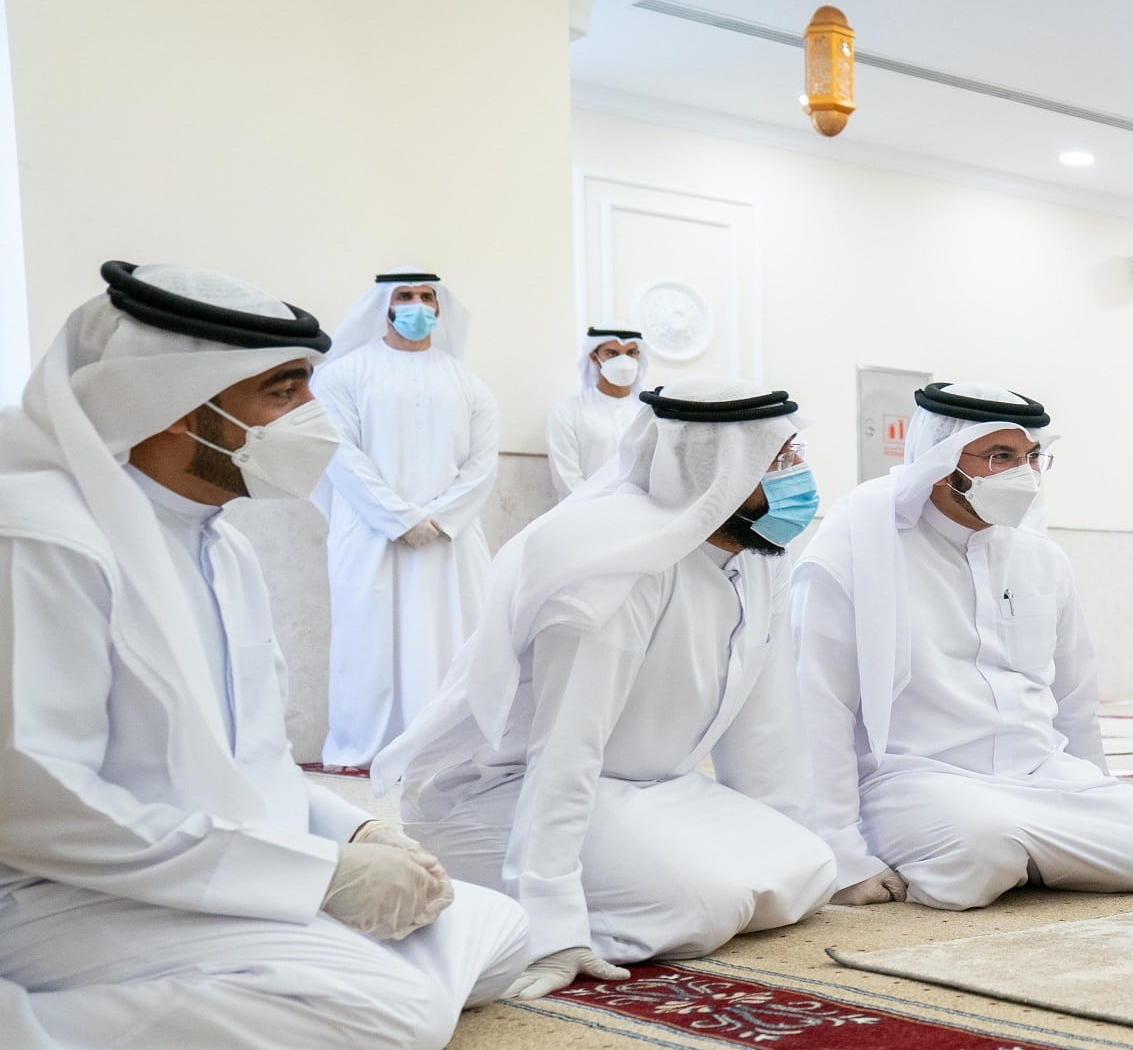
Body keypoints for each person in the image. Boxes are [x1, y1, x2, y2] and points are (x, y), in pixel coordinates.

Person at [0, 262, 528, 1048]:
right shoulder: (44, 536)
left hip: (218, 868)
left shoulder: (222, 544)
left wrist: (358, 839)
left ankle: (306, 976)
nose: (314, 415)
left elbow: (262, 761)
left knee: (503, 930)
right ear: (176, 406)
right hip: (64, 890)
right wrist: (315, 881)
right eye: (284, 393)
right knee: (392, 1016)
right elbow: (40, 804)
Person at [373, 377, 836, 999]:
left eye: (795, 454)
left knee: (811, 866)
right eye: (779, 460)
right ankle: (499, 897)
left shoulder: (756, 558)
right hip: (505, 796)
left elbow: (766, 727)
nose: (799, 475)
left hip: (648, 790)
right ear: (716, 469)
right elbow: (565, 749)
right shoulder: (616, 565)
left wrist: (781, 832)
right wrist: (552, 920)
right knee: (707, 905)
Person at [794, 381, 1133, 910]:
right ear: (942, 461)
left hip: (1039, 772)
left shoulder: (1042, 558)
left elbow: (1074, 695)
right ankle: (1020, 852)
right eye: (1001, 456)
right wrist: (839, 849)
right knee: (980, 846)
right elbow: (820, 703)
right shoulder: (859, 549)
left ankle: (1024, 850)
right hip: (917, 777)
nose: (1024, 473)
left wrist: (1093, 790)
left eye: (1033, 457)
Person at [312, 268, 499, 767]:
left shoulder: (469, 383)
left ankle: (450, 748)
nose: (417, 305)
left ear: (440, 309)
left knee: (456, 640)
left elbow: (483, 465)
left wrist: (438, 520)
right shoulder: (343, 375)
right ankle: (364, 750)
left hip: (450, 540)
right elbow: (339, 453)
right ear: (384, 306)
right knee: (369, 644)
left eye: (426, 296)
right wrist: (398, 518)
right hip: (370, 535)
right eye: (405, 295)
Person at [546, 323, 647, 498]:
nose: (624, 362)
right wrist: (599, 511)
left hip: (639, 515)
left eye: (631, 353)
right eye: (612, 353)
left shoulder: (648, 413)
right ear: (594, 357)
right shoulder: (568, 411)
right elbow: (567, 479)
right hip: (584, 515)